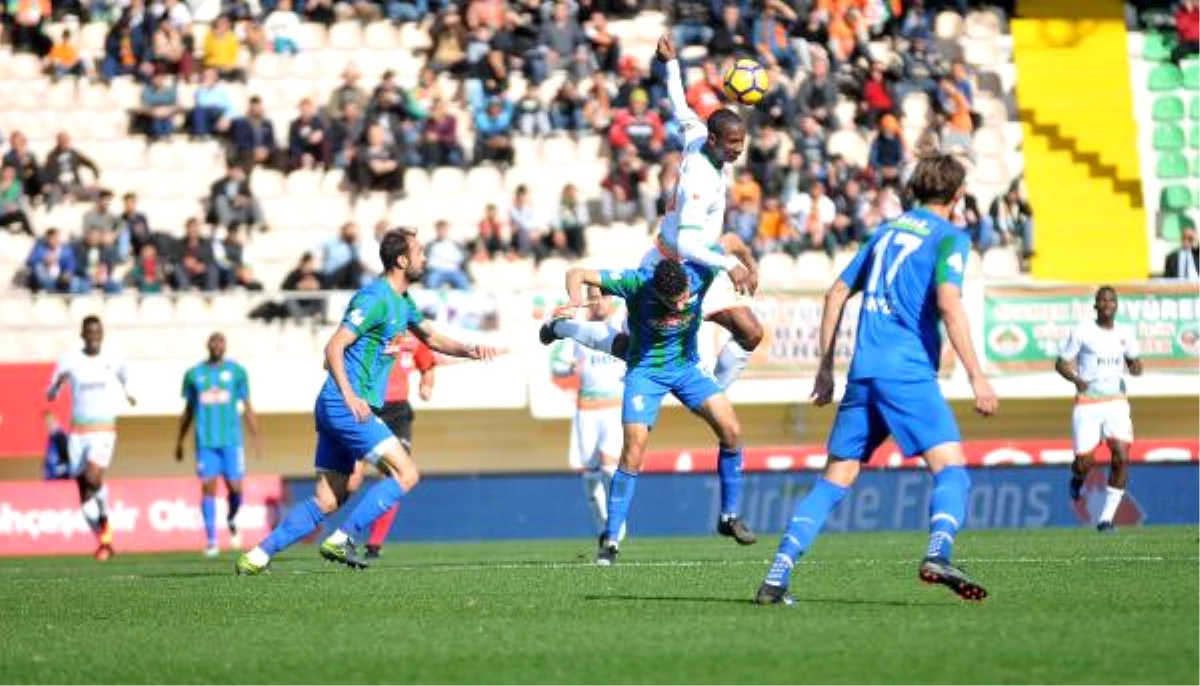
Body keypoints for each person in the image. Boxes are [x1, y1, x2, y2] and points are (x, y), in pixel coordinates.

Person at [754, 154, 999, 606]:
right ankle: (938, 553)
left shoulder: (886, 232)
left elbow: (836, 292)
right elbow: (949, 302)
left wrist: (826, 369)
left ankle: (776, 577)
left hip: (862, 372)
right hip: (905, 372)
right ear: (958, 194)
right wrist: (977, 376)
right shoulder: (950, 239)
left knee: (834, 480)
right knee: (953, 472)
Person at [236, 230, 496, 574]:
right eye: (420, 252)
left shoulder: (403, 303)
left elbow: (430, 337)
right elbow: (333, 347)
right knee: (406, 473)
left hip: (338, 407)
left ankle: (256, 556)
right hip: (345, 405)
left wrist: (469, 349)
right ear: (402, 260)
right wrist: (349, 395)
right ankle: (342, 538)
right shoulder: (374, 298)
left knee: (328, 499)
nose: (426, 258)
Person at [542, 34, 763, 392]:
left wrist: (672, 64)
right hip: (671, 269)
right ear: (714, 141)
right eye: (733, 144)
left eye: (741, 143)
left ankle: (714, 393)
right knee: (631, 349)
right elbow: (689, 243)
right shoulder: (699, 180)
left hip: (702, 268)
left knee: (750, 333)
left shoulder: (697, 136)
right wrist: (731, 264)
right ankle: (564, 328)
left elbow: (679, 105)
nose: (739, 151)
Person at [554, 259, 757, 566]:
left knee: (732, 431)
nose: (680, 305)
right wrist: (573, 301)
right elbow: (577, 272)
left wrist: (736, 264)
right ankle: (610, 540)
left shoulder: (700, 272)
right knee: (633, 452)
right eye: (672, 301)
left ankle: (728, 517)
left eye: (683, 297)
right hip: (645, 372)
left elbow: (723, 242)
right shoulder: (636, 282)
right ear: (657, 292)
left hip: (687, 367)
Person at [46, 316, 137, 561]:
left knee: (92, 476)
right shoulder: (69, 361)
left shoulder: (113, 360)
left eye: (98, 332)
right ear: (83, 335)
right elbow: (50, 393)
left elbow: (126, 379)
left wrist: (129, 394)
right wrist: (57, 385)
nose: (94, 337)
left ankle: (105, 518)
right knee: (84, 491)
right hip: (78, 433)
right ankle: (103, 540)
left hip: (104, 430)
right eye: (90, 332)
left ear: (102, 334)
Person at [1055, 287, 1143, 533]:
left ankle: (1106, 519)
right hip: (1088, 403)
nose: (1107, 304)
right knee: (1085, 461)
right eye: (1102, 300)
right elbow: (1060, 363)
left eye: (1111, 300)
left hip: (1117, 402)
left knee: (1122, 456)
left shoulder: (1126, 333)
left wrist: (1136, 367)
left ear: (1116, 306)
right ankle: (1077, 478)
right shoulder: (1082, 331)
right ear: (1095, 305)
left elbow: (1134, 362)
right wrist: (1075, 379)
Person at [350, 330, 437, 559]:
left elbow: (428, 365)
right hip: (368, 408)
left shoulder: (415, 337)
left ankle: (373, 544)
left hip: (398, 413)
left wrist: (426, 385)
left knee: (396, 477)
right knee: (351, 481)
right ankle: (343, 533)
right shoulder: (373, 332)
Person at [549, 287, 627, 544]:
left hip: (615, 407)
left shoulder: (622, 326)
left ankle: (616, 521)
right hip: (587, 410)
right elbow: (557, 367)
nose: (598, 301)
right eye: (593, 296)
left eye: (603, 296)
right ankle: (602, 525)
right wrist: (569, 367)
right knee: (591, 470)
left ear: (612, 300)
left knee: (609, 465)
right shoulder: (578, 332)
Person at [175, 332, 262, 557]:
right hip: (205, 443)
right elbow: (188, 411)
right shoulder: (194, 375)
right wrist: (179, 441)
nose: (216, 345)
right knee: (208, 487)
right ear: (208, 345)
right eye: (213, 341)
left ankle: (232, 518)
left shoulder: (237, 372)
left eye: (220, 341)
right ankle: (212, 540)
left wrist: (256, 438)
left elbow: (247, 406)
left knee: (235, 488)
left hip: (232, 442)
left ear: (225, 346)